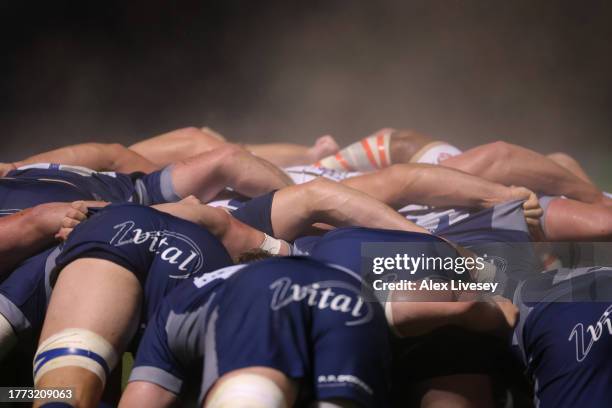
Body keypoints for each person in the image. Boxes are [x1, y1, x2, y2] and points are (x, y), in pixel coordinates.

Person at [121, 256, 392, 408]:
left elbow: (144, 398)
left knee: (249, 395)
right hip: (355, 289)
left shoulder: (184, 299)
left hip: (263, 286)